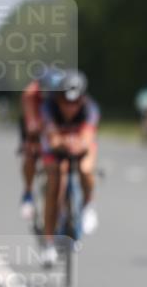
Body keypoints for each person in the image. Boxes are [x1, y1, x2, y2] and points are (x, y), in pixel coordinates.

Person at [38, 70, 101, 267]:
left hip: (80, 144)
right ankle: (48, 243)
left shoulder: (90, 108)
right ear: (58, 97)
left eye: (75, 102)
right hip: (55, 147)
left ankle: (88, 205)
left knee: (85, 168)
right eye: (65, 101)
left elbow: (88, 137)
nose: (70, 107)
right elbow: (52, 137)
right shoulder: (48, 107)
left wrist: (78, 144)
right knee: (55, 182)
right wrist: (64, 143)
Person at [19, 68, 64, 219]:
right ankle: (28, 193)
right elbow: (31, 126)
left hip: (53, 123)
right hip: (35, 122)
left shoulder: (62, 93)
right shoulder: (30, 94)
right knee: (31, 153)